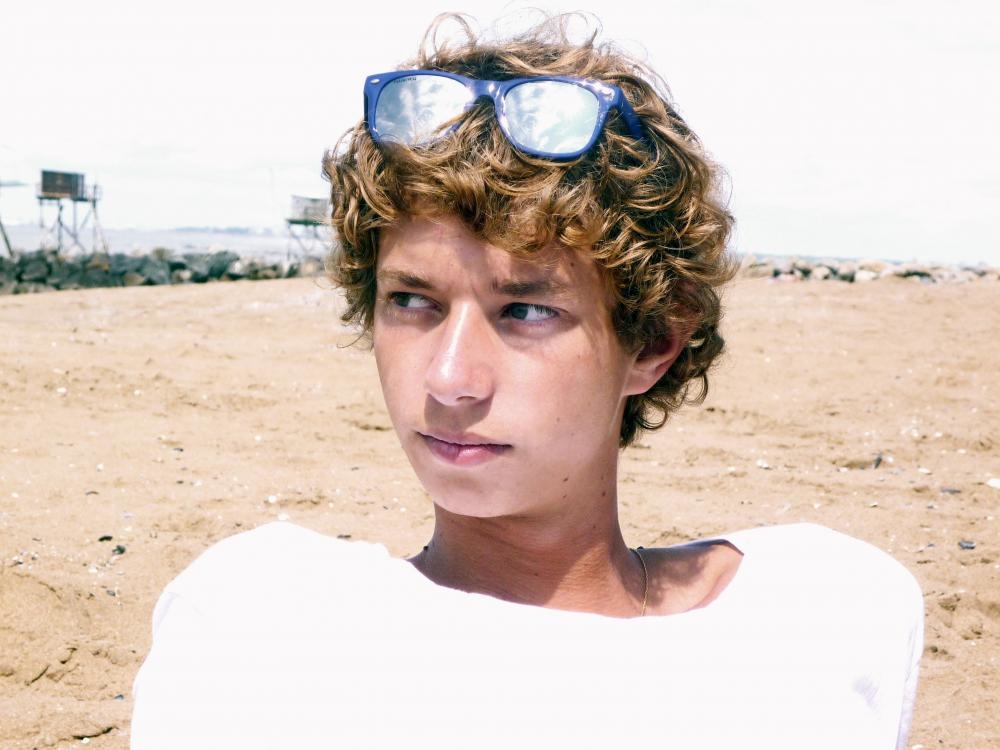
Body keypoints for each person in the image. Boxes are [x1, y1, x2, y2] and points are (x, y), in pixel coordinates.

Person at [130, 12, 923, 749]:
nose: (449, 380)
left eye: (527, 311)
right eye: (411, 301)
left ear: (654, 342)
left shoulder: (827, 613)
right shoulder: (264, 629)